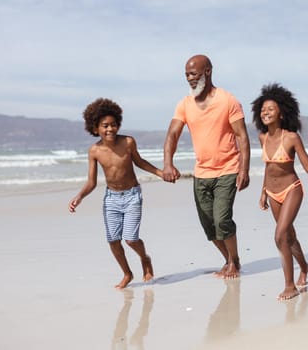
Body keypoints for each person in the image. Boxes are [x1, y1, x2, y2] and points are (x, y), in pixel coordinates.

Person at [162, 54, 250, 279]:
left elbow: (241, 136)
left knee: (222, 219)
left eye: (193, 74)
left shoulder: (228, 100)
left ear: (208, 72)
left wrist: (244, 170)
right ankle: (229, 259)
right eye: (187, 75)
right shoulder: (185, 104)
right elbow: (172, 134)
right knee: (209, 226)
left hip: (227, 169)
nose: (190, 79)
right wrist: (167, 164)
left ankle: (234, 260)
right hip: (201, 173)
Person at [68, 98, 162, 289]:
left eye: (113, 124)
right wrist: (79, 197)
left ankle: (145, 259)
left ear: (118, 124)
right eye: (105, 126)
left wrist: (160, 173)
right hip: (111, 199)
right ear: (95, 128)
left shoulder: (128, 142)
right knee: (113, 240)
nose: (110, 129)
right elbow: (92, 182)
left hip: (132, 196)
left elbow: (140, 162)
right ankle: (127, 273)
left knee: (130, 238)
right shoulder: (94, 151)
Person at [252, 83, 308, 300]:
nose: (265, 113)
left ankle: (290, 286)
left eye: (270, 109)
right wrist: (263, 192)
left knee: (280, 235)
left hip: (291, 190)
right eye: (262, 110)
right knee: (289, 236)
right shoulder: (263, 138)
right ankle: (304, 266)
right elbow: (269, 168)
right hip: (272, 192)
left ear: (281, 112)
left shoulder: (291, 137)